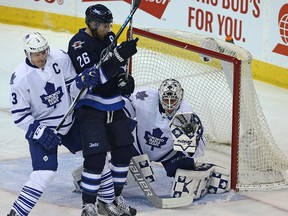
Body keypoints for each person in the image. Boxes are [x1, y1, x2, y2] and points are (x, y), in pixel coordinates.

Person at [7, 32, 91, 216]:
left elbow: (72, 89)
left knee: (97, 156)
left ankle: (108, 201)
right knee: (44, 174)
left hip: (69, 122)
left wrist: (83, 83)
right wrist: (40, 132)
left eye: (44, 52)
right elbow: (20, 116)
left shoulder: (60, 58)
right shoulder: (20, 78)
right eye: (36, 54)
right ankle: (17, 213)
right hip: (43, 128)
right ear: (27, 54)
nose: (42, 57)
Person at [67, 4, 138, 216]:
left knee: (124, 150)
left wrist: (126, 80)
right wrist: (117, 58)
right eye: (104, 25)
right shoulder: (79, 44)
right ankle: (88, 205)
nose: (108, 29)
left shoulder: (108, 38)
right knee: (96, 158)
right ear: (92, 23)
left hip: (114, 104)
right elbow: (94, 78)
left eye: (109, 25)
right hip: (91, 107)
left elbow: (116, 71)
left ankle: (114, 199)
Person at [123, 78, 206, 178]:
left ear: (180, 98)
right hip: (137, 147)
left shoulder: (185, 115)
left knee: (186, 171)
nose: (169, 105)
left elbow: (199, 150)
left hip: (169, 154)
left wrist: (192, 142)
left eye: (173, 100)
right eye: (166, 99)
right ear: (159, 96)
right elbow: (122, 111)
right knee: (119, 160)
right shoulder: (144, 97)